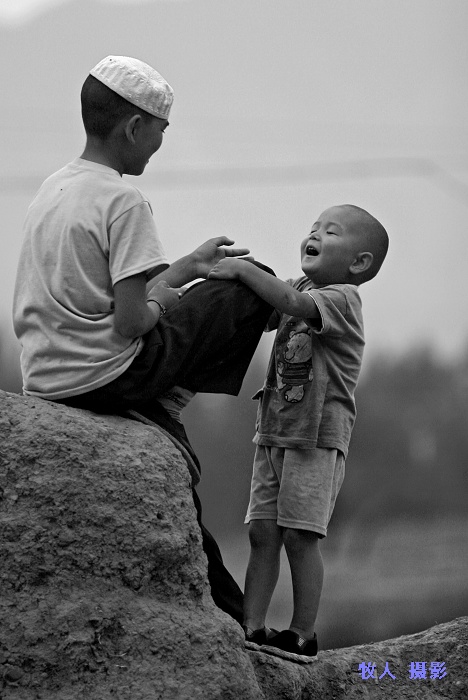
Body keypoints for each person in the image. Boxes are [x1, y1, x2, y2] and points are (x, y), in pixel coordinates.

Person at [12, 55, 274, 626]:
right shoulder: (124, 201)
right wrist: (188, 292)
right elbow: (134, 321)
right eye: (159, 132)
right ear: (135, 127)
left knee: (213, 281)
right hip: (111, 375)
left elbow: (106, 297)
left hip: (50, 379)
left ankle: (230, 616)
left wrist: (186, 267)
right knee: (250, 288)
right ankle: (167, 396)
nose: (158, 146)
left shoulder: (56, 188)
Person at [208, 203, 389, 660]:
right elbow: (268, 312)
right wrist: (228, 280)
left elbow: (288, 306)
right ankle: (251, 626)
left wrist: (247, 276)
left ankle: (303, 632)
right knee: (261, 533)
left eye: (331, 232)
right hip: (273, 432)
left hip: (316, 438)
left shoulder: (341, 298)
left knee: (299, 536)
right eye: (313, 228)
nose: (315, 235)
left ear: (359, 263)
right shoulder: (302, 285)